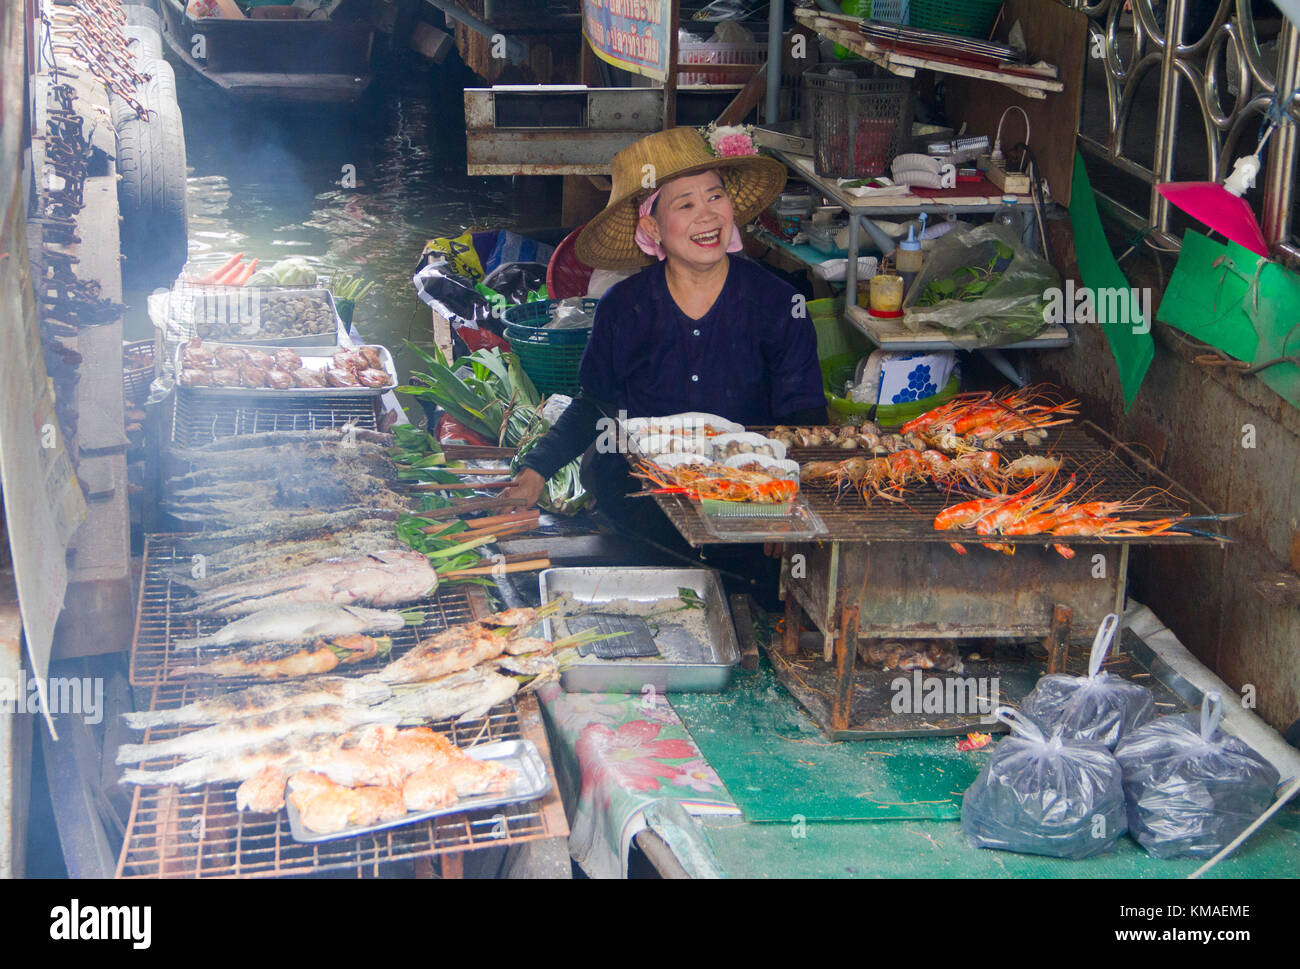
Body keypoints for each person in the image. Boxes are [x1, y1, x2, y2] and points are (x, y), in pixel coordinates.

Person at [502, 127, 827, 571]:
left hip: (746, 503)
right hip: (643, 502)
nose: (707, 216)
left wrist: (789, 503)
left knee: (758, 587)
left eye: (715, 197)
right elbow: (597, 405)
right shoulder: (624, 307)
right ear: (652, 226)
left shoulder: (776, 303)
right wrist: (538, 468)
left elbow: (804, 417)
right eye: (686, 204)